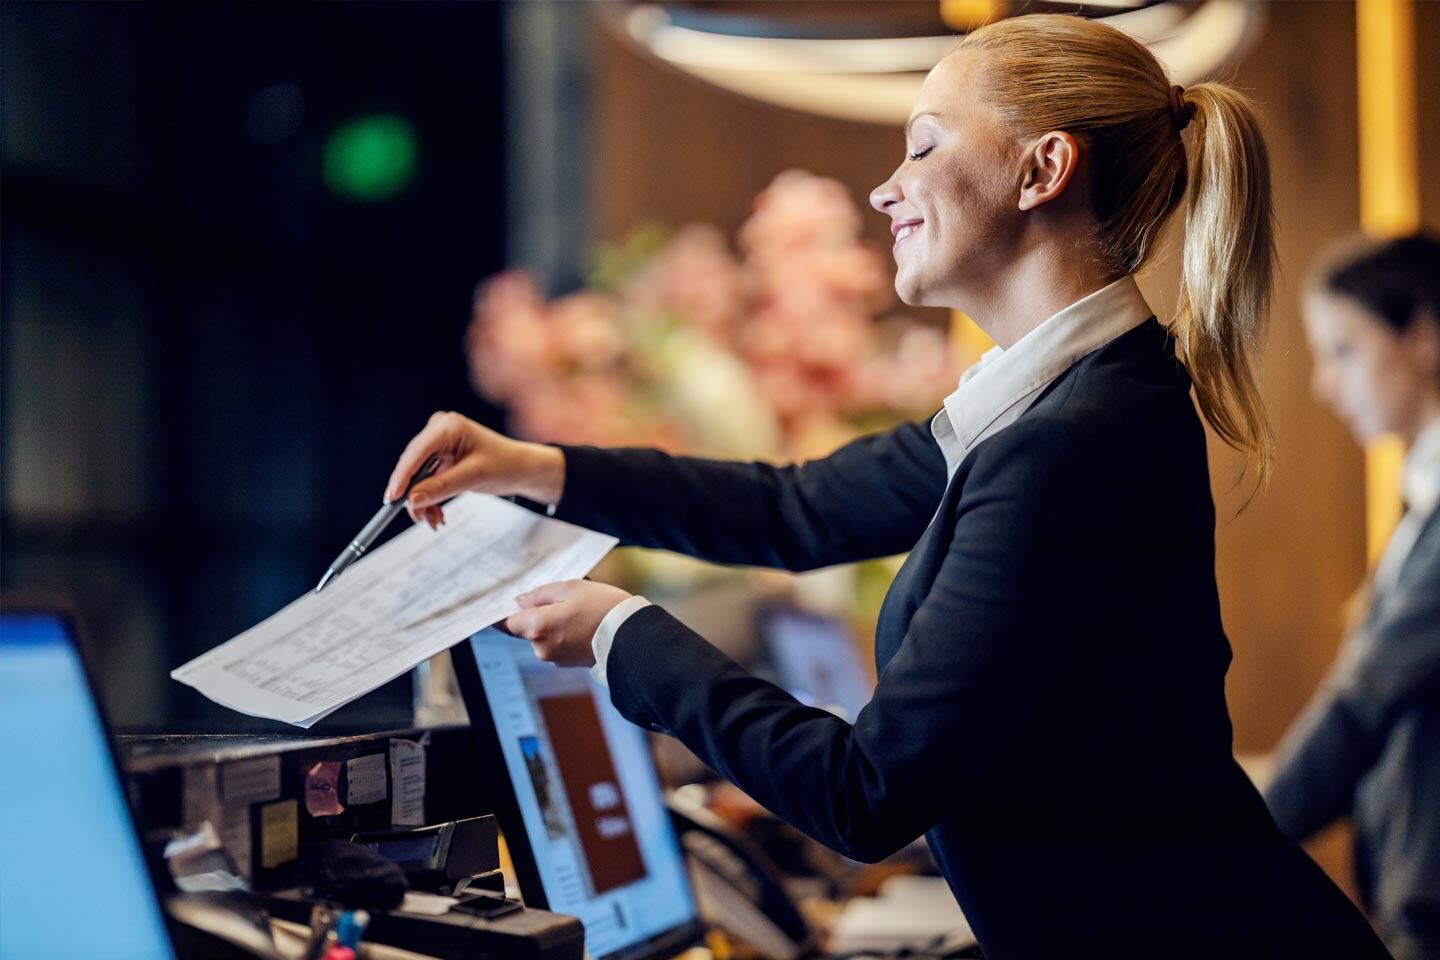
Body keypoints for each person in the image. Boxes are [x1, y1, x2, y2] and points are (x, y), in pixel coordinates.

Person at [386, 14, 1387, 958]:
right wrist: (541, 469)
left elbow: (865, 795)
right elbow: (796, 507)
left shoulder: (1070, 446)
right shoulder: (1065, 402)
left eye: (923, 144)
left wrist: (618, 636)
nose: (886, 187)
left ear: (1043, 170)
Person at [1266, 232, 1440, 960]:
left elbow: (1366, 697)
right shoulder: (1421, 494)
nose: (1325, 385)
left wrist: (1236, 836)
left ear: (1423, 335)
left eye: (1343, 350)